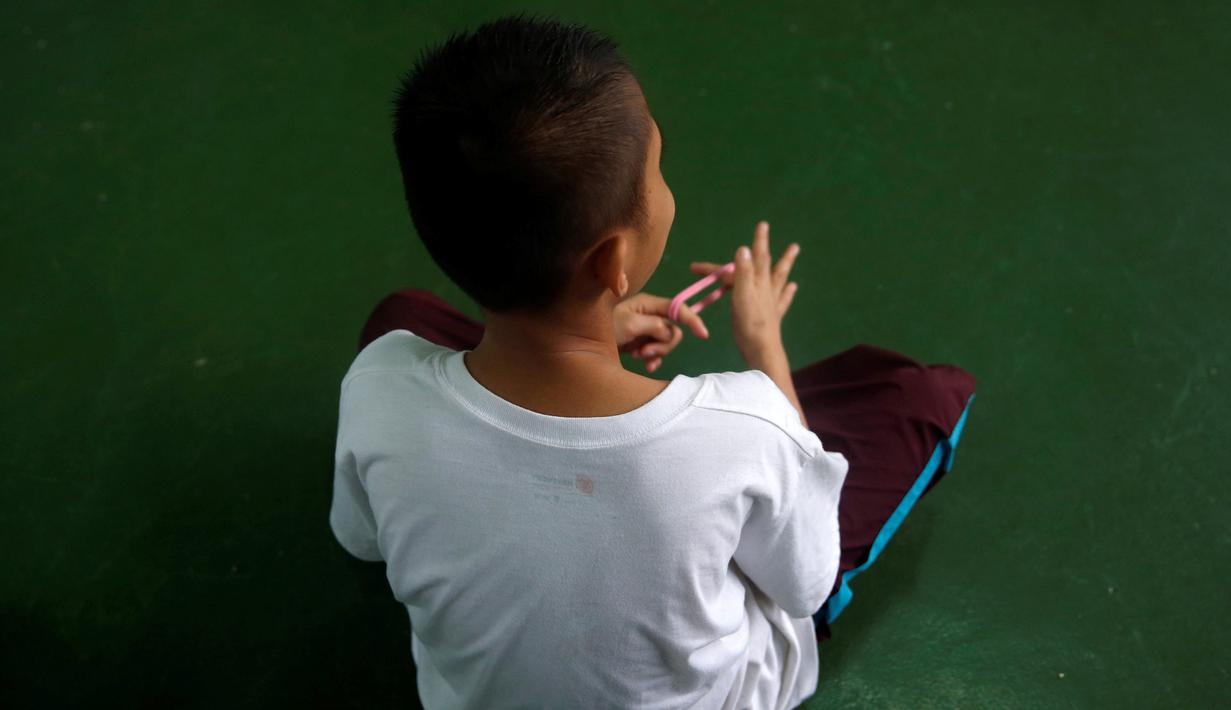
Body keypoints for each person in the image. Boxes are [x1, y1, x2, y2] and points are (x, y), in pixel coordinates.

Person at [330, 12, 976, 709]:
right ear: (613, 258)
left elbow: (361, 540)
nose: (665, 185)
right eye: (656, 170)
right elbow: (805, 584)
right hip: (729, 688)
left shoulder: (378, 385)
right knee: (924, 397)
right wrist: (764, 349)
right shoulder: (746, 425)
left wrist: (599, 325)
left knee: (401, 315)